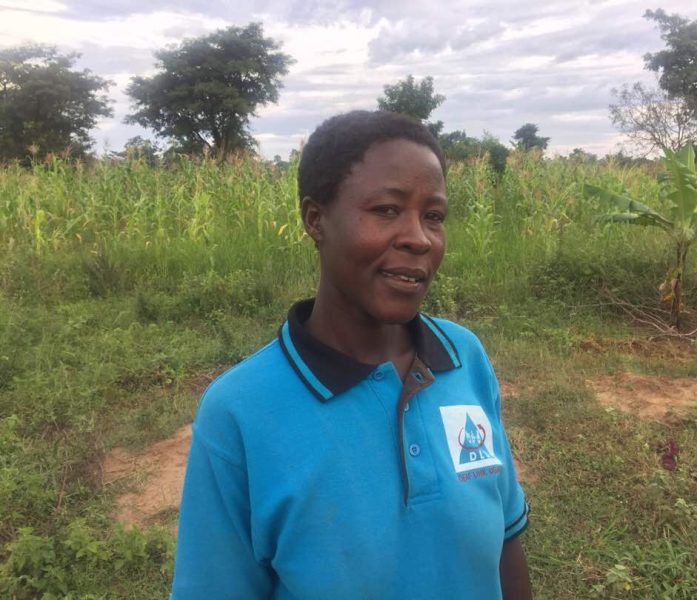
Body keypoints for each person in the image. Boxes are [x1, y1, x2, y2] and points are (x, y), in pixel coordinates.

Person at [171, 110, 532, 599]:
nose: (418, 237)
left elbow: (506, 541)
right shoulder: (240, 412)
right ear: (315, 219)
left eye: (434, 216)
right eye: (386, 209)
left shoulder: (464, 357)